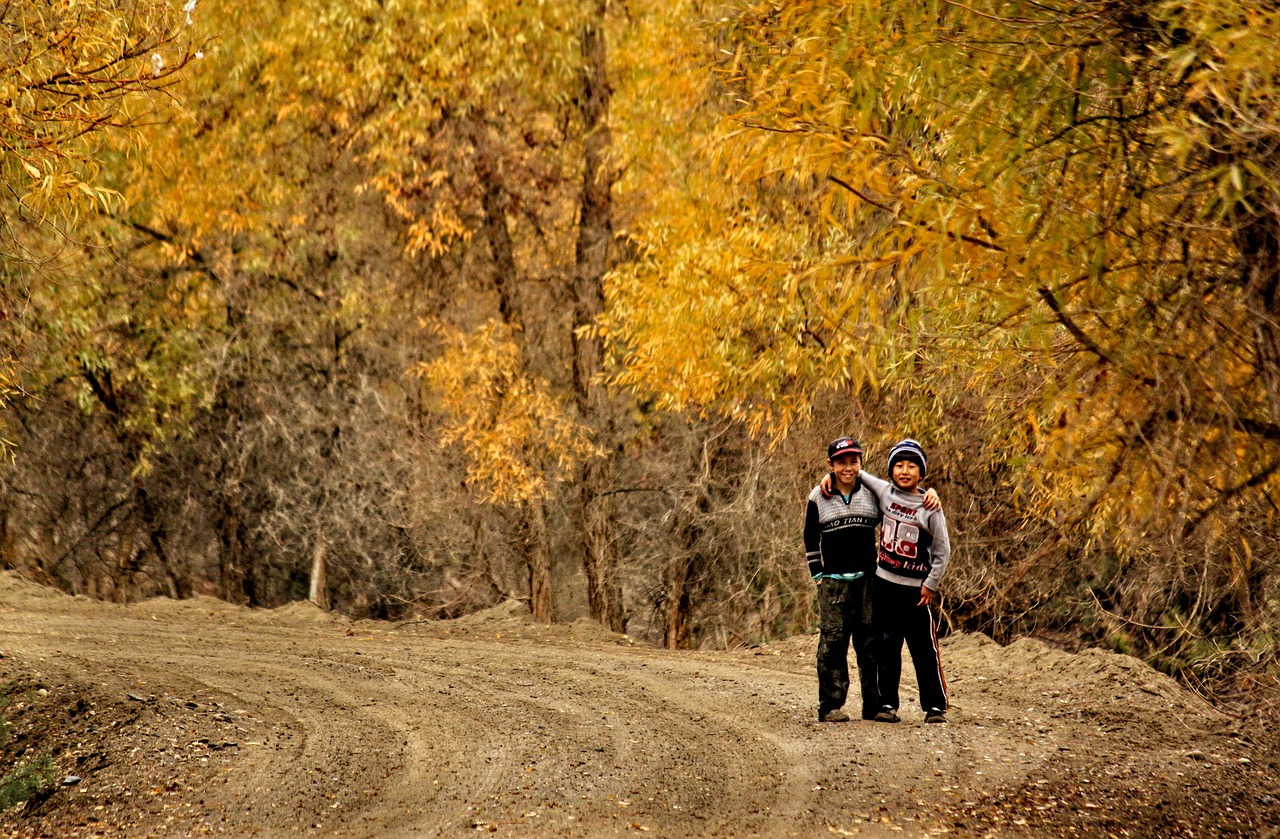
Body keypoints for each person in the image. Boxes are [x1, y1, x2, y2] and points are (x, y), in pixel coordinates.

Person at [804, 438, 941, 723]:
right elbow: (809, 537)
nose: (847, 467)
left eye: (853, 461)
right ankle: (831, 705)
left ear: (861, 463)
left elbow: (901, 505)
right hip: (833, 583)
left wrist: (931, 493)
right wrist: (818, 575)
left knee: (871, 644)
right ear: (831, 465)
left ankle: (875, 706)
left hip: (870, 579)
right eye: (840, 462)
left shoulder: (872, 495)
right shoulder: (820, 495)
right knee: (832, 644)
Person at [862, 439, 951, 724]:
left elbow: (942, 549)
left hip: (916, 592)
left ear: (921, 473)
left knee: (924, 650)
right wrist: (830, 476)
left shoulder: (930, 507)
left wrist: (931, 583)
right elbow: (858, 474)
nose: (904, 471)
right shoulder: (885, 493)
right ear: (890, 470)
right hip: (884, 585)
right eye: (899, 465)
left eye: (912, 466)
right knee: (886, 648)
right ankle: (888, 704)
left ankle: (935, 706)